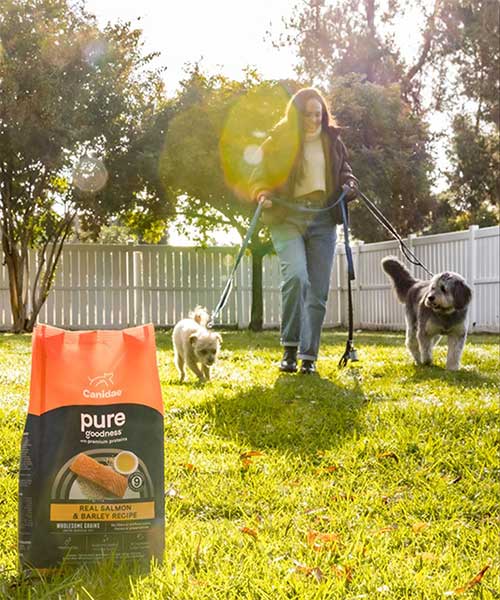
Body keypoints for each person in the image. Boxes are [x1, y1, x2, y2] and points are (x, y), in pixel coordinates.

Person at [249, 87, 358, 375]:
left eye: (317, 114)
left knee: (318, 290)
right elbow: (258, 174)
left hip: (323, 218)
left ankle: (308, 357)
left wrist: (349, 184)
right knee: (297, 277)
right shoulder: (278, 142)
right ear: (296, 115)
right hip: (288, 216)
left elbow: (344, 169)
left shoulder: (332, 141)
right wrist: (262, 191)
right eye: (307, 115)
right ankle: (289, 349)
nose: (312, 120)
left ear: (323, 115)